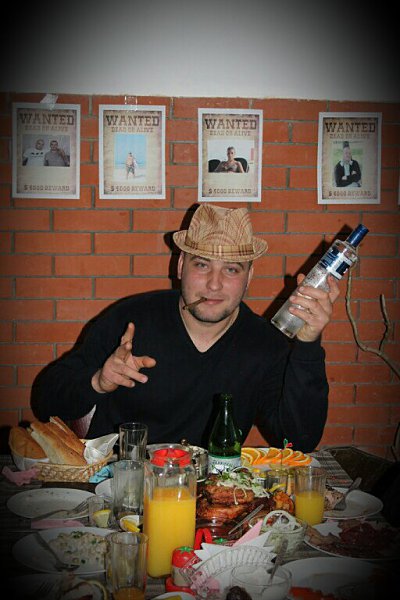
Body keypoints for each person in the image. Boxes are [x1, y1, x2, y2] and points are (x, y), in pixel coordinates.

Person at [32, 204, 339, 452]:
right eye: (202, 264)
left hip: (213, 497)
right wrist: (98, 381)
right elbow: (45, 403)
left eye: (231, 269)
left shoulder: (265, 344)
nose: (214, 284)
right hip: (119, 488)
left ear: (249, 278)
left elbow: (298, 441)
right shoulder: (130, 321)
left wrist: (308, 343)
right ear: (181, 266)